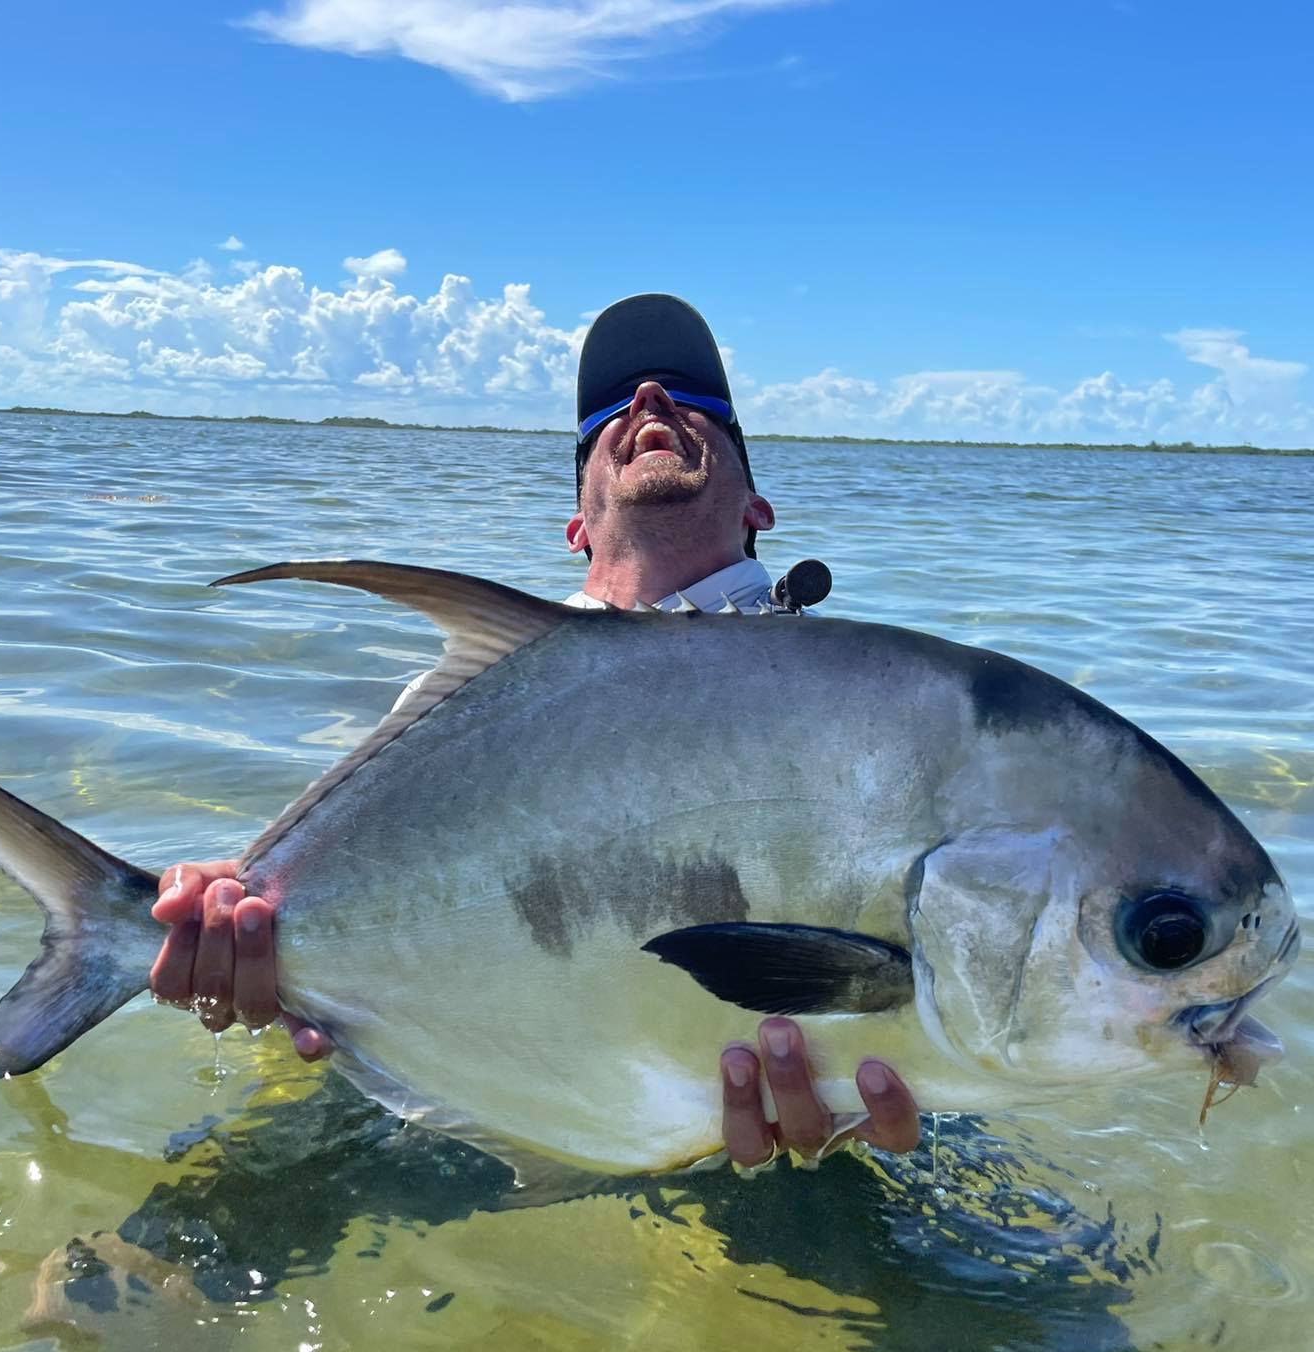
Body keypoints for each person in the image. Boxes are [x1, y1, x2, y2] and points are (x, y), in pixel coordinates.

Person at [150, 294, 921, 1166]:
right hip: (473, 1096)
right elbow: (363, 908)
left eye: (698, 405)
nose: (652, 404)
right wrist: (234, 931)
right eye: (608, 414)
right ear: (576, 526)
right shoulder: (476, 700)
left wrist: (883, 1116)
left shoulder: (865, 713)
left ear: (759, 506)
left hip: (760, 1119)